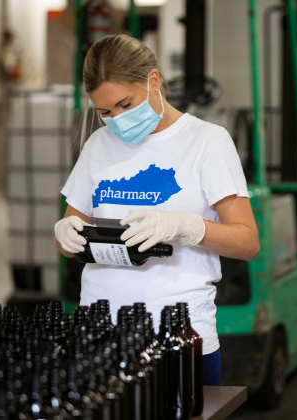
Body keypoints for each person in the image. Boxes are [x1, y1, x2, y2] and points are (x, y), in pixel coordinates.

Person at [53, 34, 260, 386]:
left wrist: (191, 227)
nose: (116, 119)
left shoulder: (207, 142)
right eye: (104, 112)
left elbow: (248, 243)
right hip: (101, 333)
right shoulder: (98, 144)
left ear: (152, 81)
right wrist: (65, 233)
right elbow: (75, 227)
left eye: (125, 104)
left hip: (179, 334)